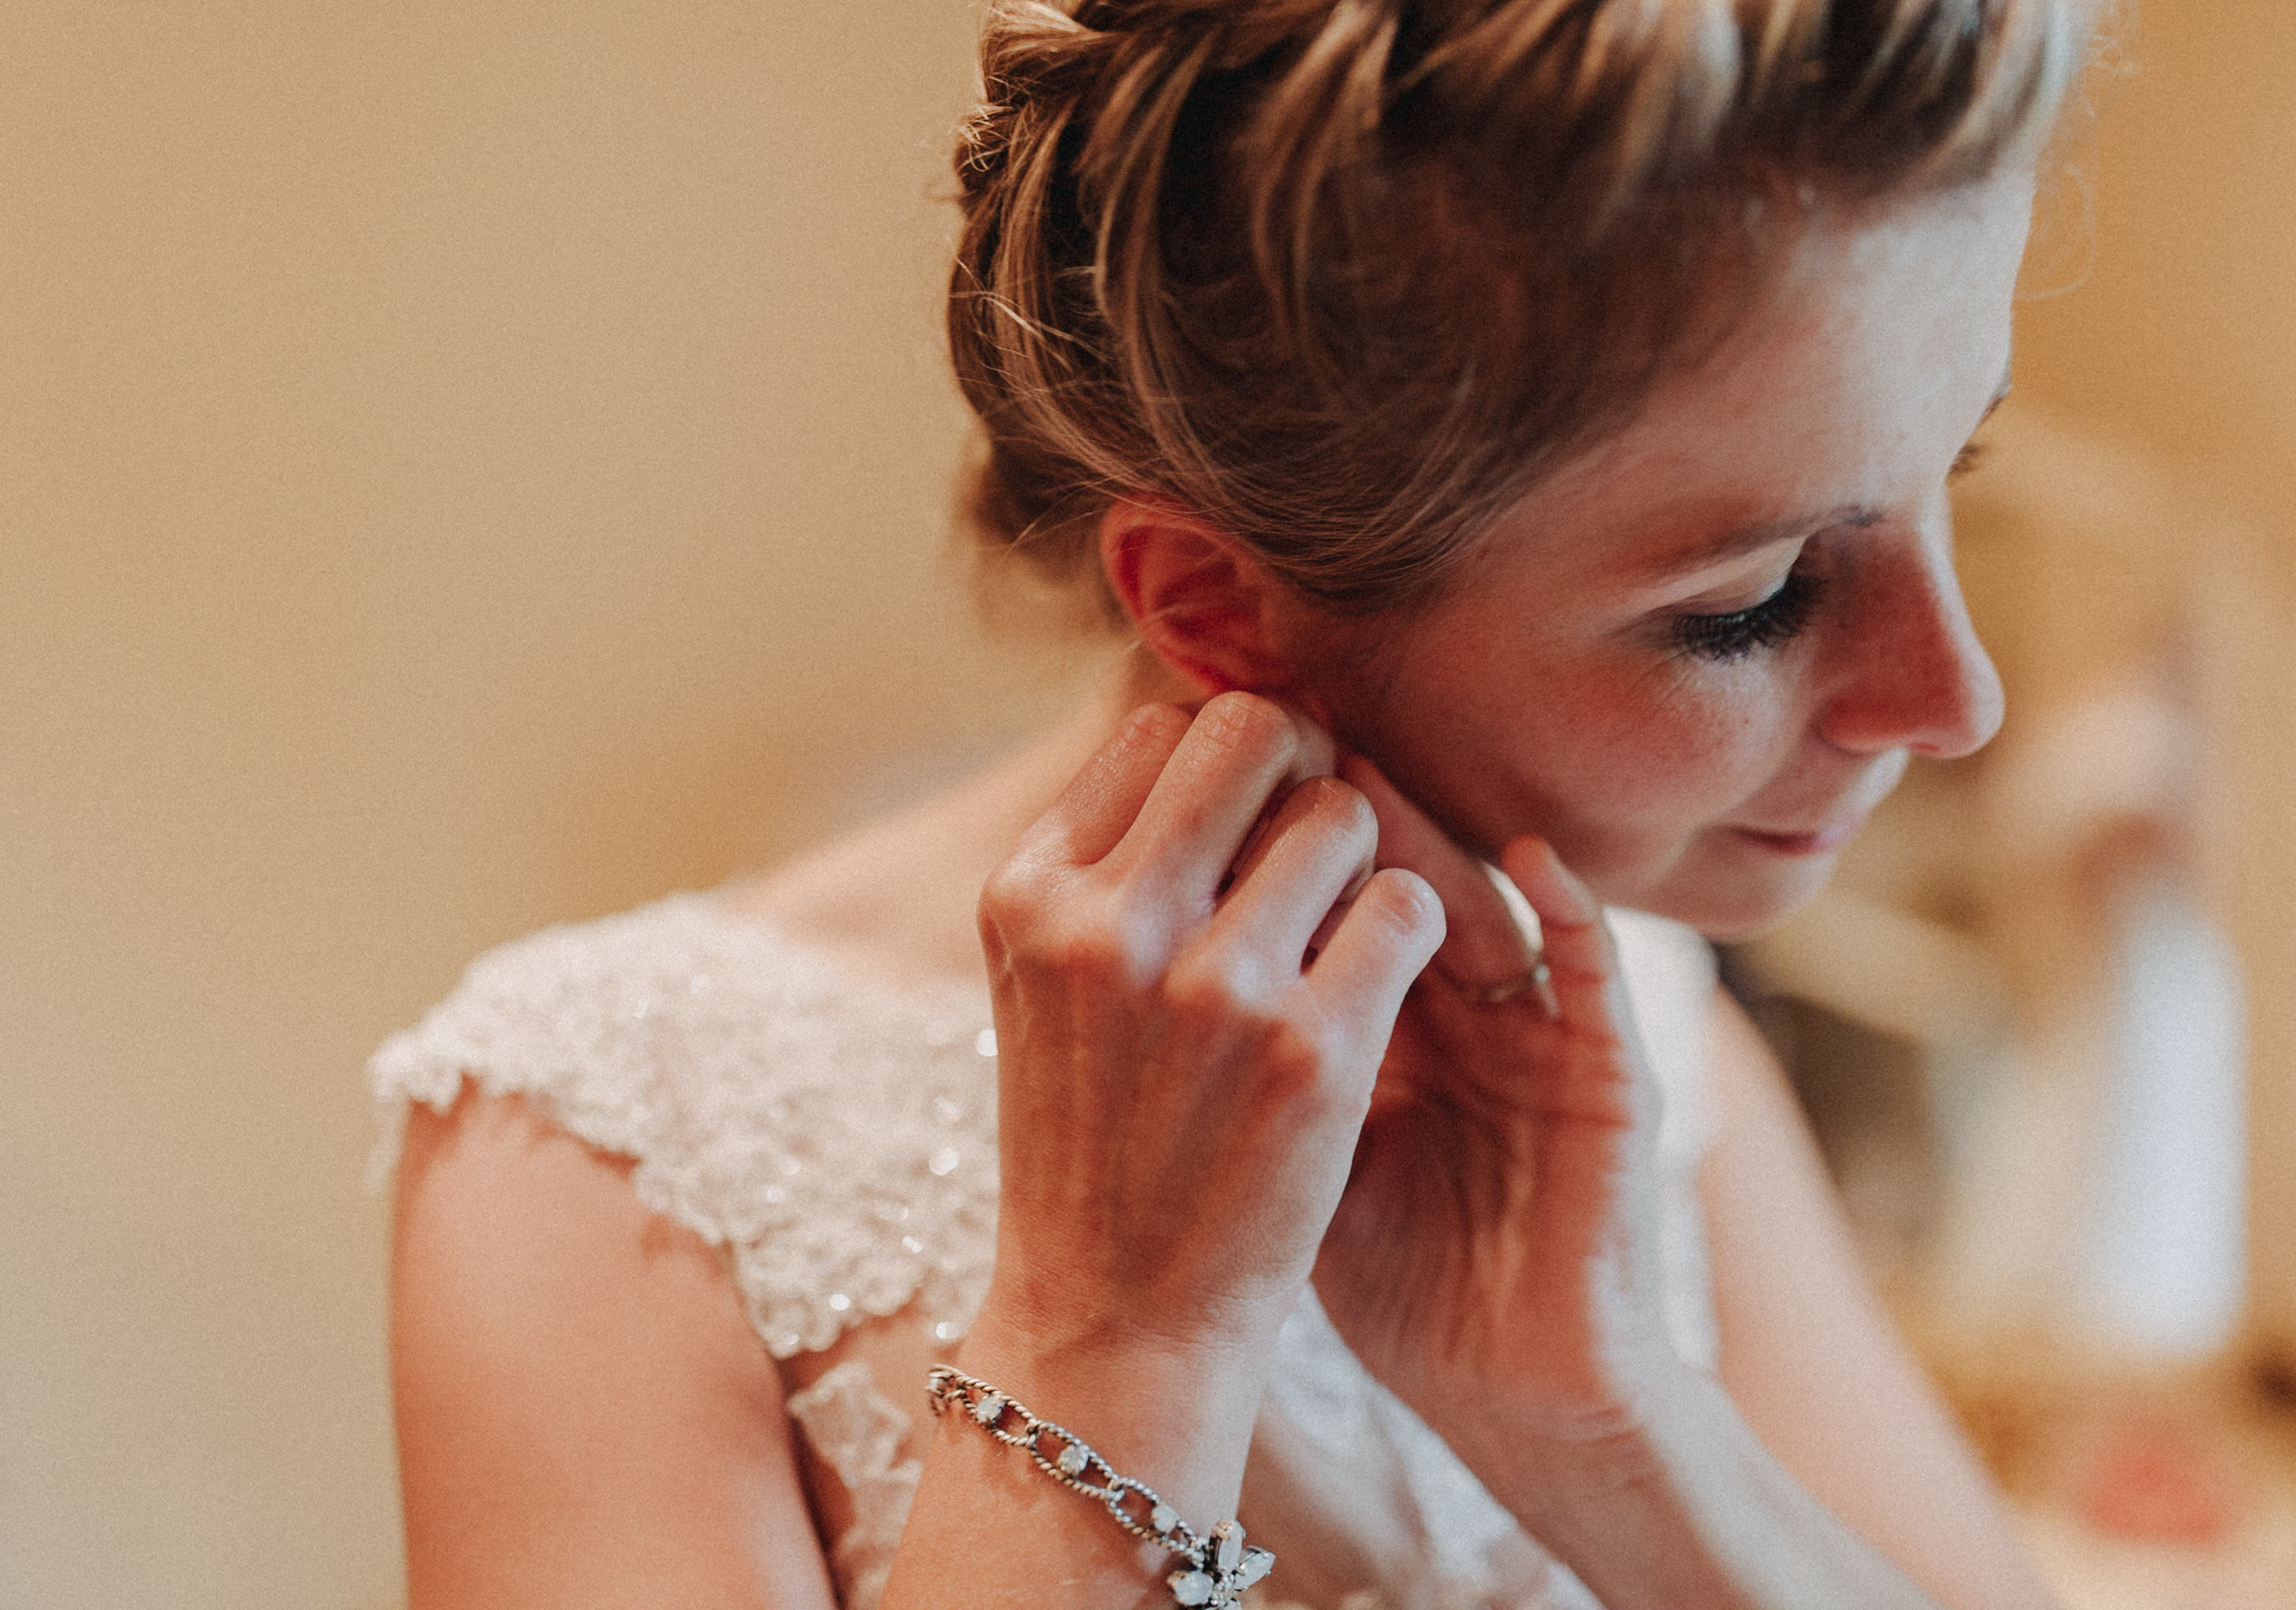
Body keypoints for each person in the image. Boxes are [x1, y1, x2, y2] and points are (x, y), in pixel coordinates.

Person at [371, 2, 2097, 1605]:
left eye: (1955, 472)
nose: (1959, 697)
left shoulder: (1631, 1037)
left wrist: (1610, 1426)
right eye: (1755, 598)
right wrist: (1109, 1342)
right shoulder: (596, 1144)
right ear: (1210, 603)